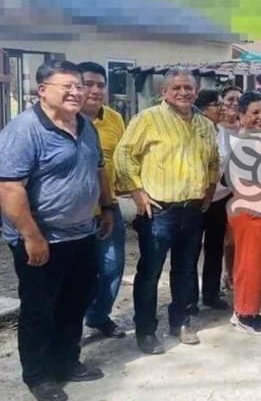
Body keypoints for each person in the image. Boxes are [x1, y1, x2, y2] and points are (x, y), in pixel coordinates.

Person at [0, 60, 114, 401]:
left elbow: (98, 168)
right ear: (43, 90)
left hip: (82, 233)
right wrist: (32, 237)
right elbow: (9, 189)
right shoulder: (24, 131)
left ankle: (67, 361)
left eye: (79, 86)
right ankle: (39, 376)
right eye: (67, 86)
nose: (77, 92)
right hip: (42, 239)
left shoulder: (85, 125)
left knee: (73, 304)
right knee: (39, 310)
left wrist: (107, 207)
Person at [115, 68, 219, 354]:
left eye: (189, 88)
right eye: (177, 88)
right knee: (150, 272)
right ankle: (146, 330)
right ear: (164, 92)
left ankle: (181, 321)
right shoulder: (147, 119)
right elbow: (124, 155)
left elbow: (213, 161)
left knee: (186, 270)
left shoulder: (205, 125)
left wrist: (209, 190)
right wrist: (137, 192)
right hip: (159, 211)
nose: (184, 92)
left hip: (193, 209)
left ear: (196, 92)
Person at [78, 62, 127, 339]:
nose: (95, 90)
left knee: (112, 266)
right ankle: (72, 325)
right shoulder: (66, 122)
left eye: (100, 84)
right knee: (81, 273)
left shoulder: (115, 119)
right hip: (77, 212)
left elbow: (122, 159)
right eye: (88, 84)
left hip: (109, 206)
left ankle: (97, 316)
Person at [227, 92, 261, 334]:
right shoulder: (242, 143)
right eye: (255, 112)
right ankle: (244, 314)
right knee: (250, 263)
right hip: (251, 211)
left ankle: (250, 308)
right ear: (241, 116)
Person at [188, 90, 229, 312]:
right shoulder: (194, 132)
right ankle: (190, 297)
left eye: (222, 104)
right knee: (191, 250)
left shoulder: (222, 132)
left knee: (215, 249)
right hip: (195, 201)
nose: (222, 108)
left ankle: (211, 294)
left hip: (219, 200)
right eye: (216, 105)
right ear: (203, 109)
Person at [218, 86, 242, 294]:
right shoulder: (216, 128)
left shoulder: (244, 128)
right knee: (227, 237)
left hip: (242, 191)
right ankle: (227, 273)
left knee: (239, 236)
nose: (234, 103)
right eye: (230, 100)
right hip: (220, 192)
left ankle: (237, 273)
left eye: (238, 100)